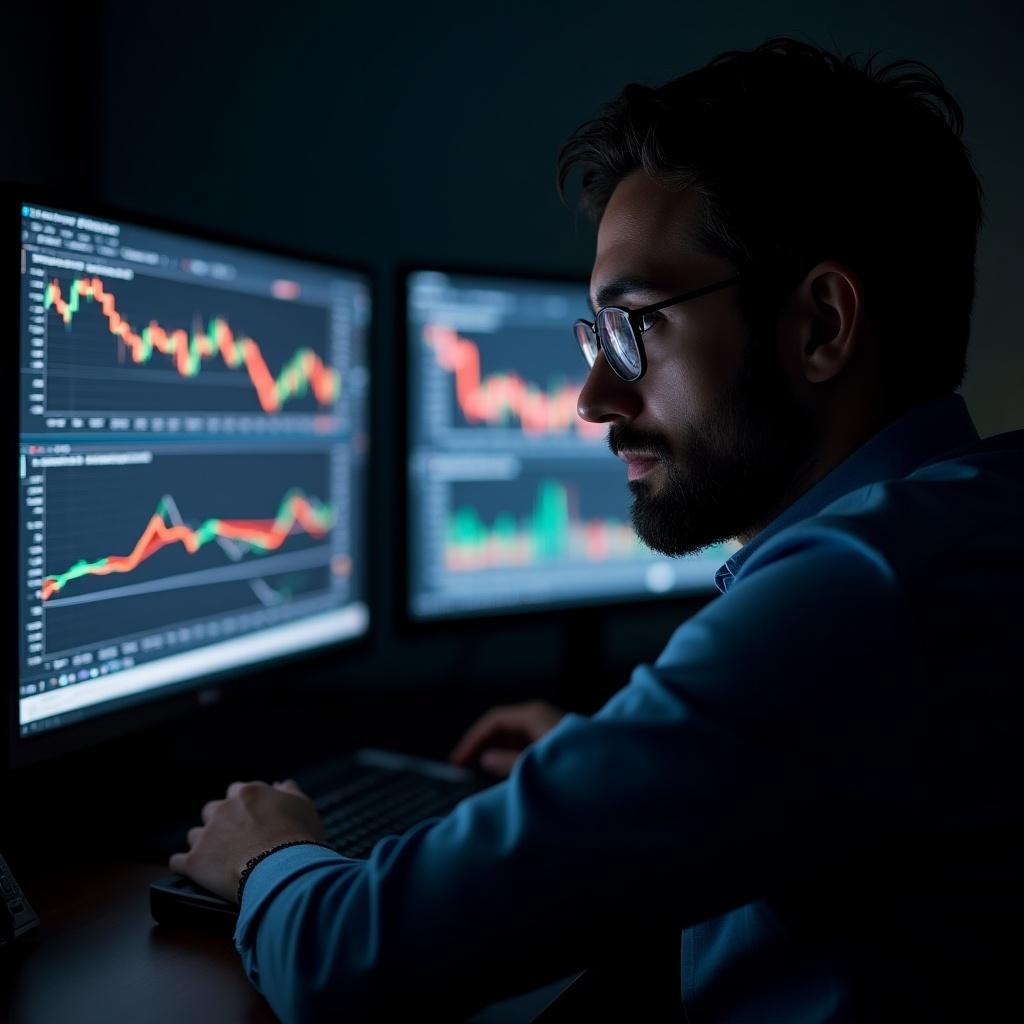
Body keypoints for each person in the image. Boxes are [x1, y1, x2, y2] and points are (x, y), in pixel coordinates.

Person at [170, 37, 1023, 1021]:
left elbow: (353, 960)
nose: (592, 393)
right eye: (596, 334)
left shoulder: (855, 595)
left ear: (821, 325)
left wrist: (270, 852)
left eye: (636, 324)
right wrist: (628, 767)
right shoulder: (968, 520)